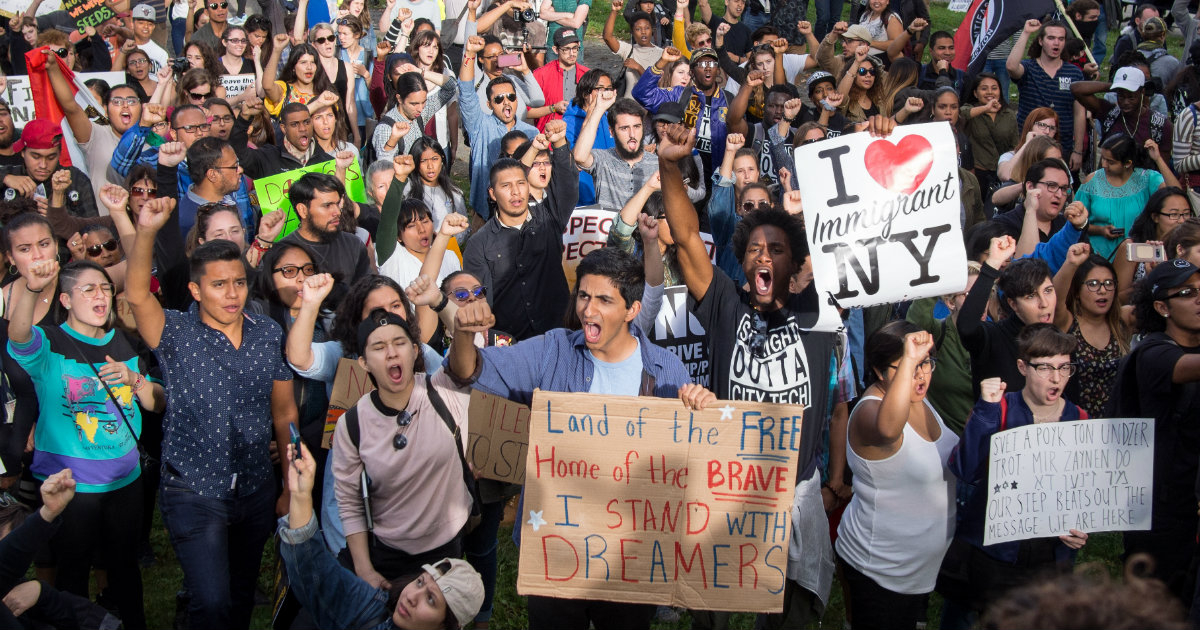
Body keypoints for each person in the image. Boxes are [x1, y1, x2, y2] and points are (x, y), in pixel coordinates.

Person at [657, 120, 847, 628]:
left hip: (795, 493)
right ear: (741, 261)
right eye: (754, 250)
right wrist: (669, 166)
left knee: (792, 614)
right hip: (725, 486)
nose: (764, 255)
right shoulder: (724, 302)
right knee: (710, 611)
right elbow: (684, 238)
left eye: (777, 250)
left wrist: (878, 139)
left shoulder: (818, 311)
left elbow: (856, 232)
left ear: (795, 263)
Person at [446, 246, 695, 630]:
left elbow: (688, 460)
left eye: (604, 300)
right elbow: (472, 371)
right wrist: (463, 334)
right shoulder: (554, 350)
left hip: (631, 552)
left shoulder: (667, 371)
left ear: (632, 310)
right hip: (558, 548)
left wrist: (701, 408)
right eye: (583, 296)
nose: (588, 311)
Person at [123, 195, 299, 630]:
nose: (232, 293)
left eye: (238, 282)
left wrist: (290, 486)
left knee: (239, 598)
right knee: (213, 600)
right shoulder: (175, 331)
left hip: (256, 488)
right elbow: (135, 294)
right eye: (219, 285)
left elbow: (284, 414)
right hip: (194, 490)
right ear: (197, 290)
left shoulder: (267, 333)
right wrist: (145, 230)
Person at [8, 258, 164, 630]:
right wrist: (30, 289)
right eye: (89, 288)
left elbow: (156, 402)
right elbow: (17, 337)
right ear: (65, 299)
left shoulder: (123, 340)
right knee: (72, 571)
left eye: (106, 288)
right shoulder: (49, 343)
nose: (101, 295)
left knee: (125, 567)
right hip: (71, 485)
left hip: (124, 481)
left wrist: (135, 379)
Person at [941, 324, 1090, 626]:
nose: (1056, 378)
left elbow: (1082, 487)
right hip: (996, 555)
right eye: (1045, 368)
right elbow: (965, 469)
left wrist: (1081, 525)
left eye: (1064, 367)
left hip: (1050, 555)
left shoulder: (1079, 418)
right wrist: (985, 411)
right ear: (1022, 367)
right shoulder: (1000, 408)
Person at [278, 439, 486, 630]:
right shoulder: (370, 609)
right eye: (420, 582)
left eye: (431, 600)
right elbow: (316, 574)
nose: (413, 596)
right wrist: (301, 496)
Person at [838, 322, 957, 630]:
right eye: (908, 365)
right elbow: (889, 430)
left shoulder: (920, 398)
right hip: (879, 573)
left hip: (914, 575)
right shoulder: (869, 412)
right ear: (879, 372)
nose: (920, 375)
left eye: (926, 363)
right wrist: (910, 359)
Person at [1111, 258, 1200, 600]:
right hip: (1161, 512)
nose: (1199, 298)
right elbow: (1186, 368)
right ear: (1162, 306)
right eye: (1188, 292)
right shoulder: (1152, 353)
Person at [462, 121, 577, 340]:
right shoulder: (479, 244)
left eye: (521, 183)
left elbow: (567, 183)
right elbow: (478, 305)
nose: (516, 192)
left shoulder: (551, 217)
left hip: (558, 335)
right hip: (510, 345)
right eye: (506, 186)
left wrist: (560, 142)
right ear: (493, 193)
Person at [457, 35, 539, 219]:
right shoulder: (479, 126)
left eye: (510, 97)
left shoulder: (532, 133)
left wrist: (525, 69)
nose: (506, 103)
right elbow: (466, 92)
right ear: (488, 104)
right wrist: (469, 53)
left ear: (517, 99)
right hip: (486, 213)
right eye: (499, 99)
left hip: (524, 213)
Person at [1052, 245, 1130, 418]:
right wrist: (1071, 264)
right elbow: (1056, 302)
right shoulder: (1068, 323)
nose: (1102, 290)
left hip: (1119, 426)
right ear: (1077, 291)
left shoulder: (1121, 322)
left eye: (1109, 283)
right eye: (1093, 284)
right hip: (1078, 426)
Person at [1076, 133, 1176, 260]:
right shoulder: (1092, 181)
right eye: (1103, 158)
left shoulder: (1147, 179)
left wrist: (1158, 159)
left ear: (1128, 163)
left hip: (1138, 257)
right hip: (1099, 256)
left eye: (1110, 162)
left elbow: (1176, 195)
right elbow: (1074, 222)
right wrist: (1100, 230)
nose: (1104, 164)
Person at [1007, 19, 1085, 173]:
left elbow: (1079, 113)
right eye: (1051, 38)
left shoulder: (1074, 72)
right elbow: (1011, 66)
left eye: (1061, 39)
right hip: (1031, 144)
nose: (1056, 43)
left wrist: (1078, 150)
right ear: (1041, 41)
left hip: (1062, 144)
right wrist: (1026, 33)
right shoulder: (1029, 68)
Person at [279, 173, 371, 297]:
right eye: (327, 206)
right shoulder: (281, 253)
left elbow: (367, 293)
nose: (337, 212)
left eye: (338, 204)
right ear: (303, 210)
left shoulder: (354, 244)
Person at [1072, 66, 1173, 167]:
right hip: (1108, 178)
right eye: (1121, 96)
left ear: (1142, 92)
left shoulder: (1159, 124)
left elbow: (1163, 167)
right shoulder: (1109, 113)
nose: (1125, 102)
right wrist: (1113, 86)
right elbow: (1076, 89)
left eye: (1131, 97)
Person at [0, 119, 98, 219]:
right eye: (36, 157)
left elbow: (94, 227)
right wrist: (4, 177)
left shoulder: (75, 179)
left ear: (59, 153)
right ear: (22, 152)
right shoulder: (10, 174)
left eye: (51, 158)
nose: (43, 165)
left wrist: (60, 215)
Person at [574, 95, 658, 209]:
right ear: (612, 132)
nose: (632, 134)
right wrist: (599, 110)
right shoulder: (604, 159)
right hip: (608, 226)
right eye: (624, 128)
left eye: (637, 127)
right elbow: (579, 157)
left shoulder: (657, 164)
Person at [1114, 187, 1194, 302]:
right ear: (1155, 217)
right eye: (1174, 214)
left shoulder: (1190, 249)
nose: (1181, 220)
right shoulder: (1133, 247)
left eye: (1186, 214)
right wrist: (1151, 278)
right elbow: (1116, 299)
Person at [531, 28, 589, 130]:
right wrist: (553, 108)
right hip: (549, 136)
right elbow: (527, 112)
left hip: (579, 134)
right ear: (555, 49)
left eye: (575, 48)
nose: (572, 53)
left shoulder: (588, 74)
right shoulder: (540, 75)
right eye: (566, 49)